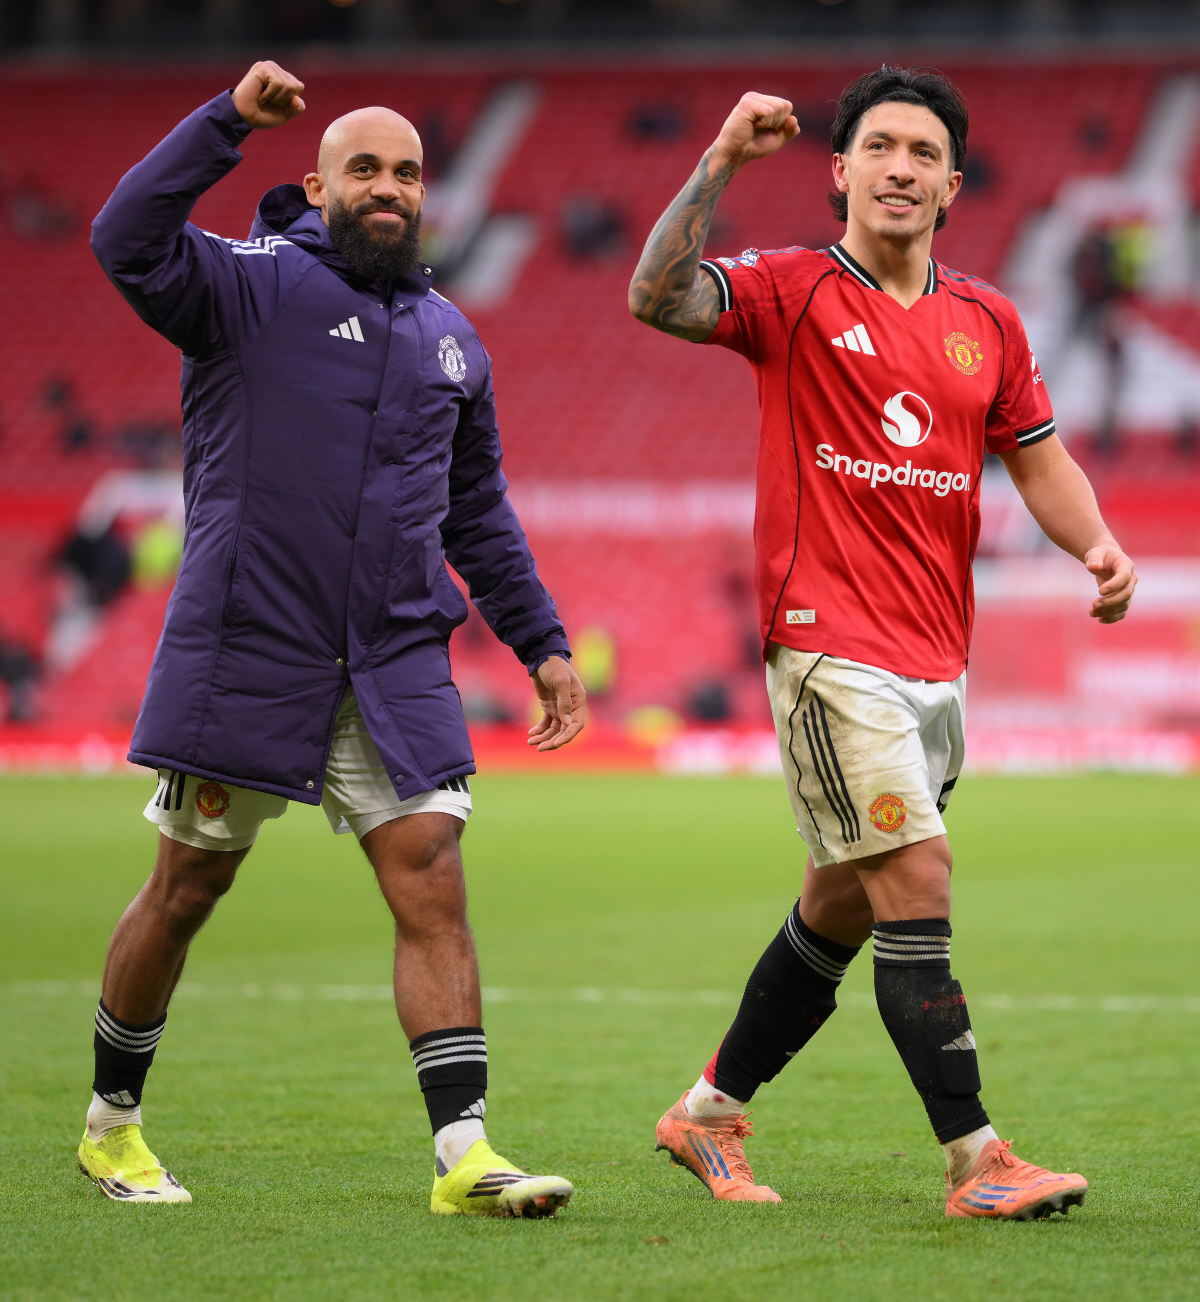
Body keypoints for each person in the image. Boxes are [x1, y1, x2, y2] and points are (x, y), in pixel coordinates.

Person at [628, 66, 1137, 1219]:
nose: (900, 167)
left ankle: (705, 1114)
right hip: (823, 642)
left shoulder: (988, 321)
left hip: (932, 660)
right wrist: (717, 163)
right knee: (918, 875)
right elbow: (656, 299)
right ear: (840, 172)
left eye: (922, 152)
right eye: (880, 148)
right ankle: (976, 1159)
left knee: (842, 905)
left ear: (952, 185)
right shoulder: (792, 289)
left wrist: (1096, 545)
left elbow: (1039, 459)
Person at [79, 61, 586, 1217]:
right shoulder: (244, 288)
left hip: (396, 651)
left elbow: (477, 513)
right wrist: (224, 124)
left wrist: (542, 641)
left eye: (408, 173)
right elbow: (122, 238)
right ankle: (112, 1126)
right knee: (189, 885)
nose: (390, 189)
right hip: (253, 642)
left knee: (433, 878)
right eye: (366, 170)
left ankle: (466, 1153)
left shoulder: (455, 340)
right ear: (317, 185)